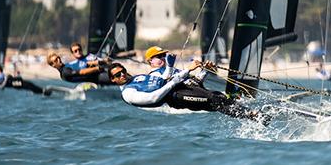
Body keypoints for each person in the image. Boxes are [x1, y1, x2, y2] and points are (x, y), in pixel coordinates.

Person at [108, 46, 263, 122]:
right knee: (213, 99)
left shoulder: (140, 77)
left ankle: (254, 116)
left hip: (189, 91)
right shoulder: (139, 84)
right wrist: (177, 69)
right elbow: (157, 94)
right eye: (158, 56)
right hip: (177, 97)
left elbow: (194, 82)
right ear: (150, 61)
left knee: (217, 99)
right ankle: (251, 115)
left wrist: (205, 70)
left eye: (163, 54)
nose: (162, 57)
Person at [46, 52, 113, 85]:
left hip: (96, 76)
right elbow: (82, 72)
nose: (58, 60)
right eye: (55, 60)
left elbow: (85, 63)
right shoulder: (65, 71)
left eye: (58, 58)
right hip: (97, 78)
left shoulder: (67, 66)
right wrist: (97, 68)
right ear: (53, 65)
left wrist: (102, 61)